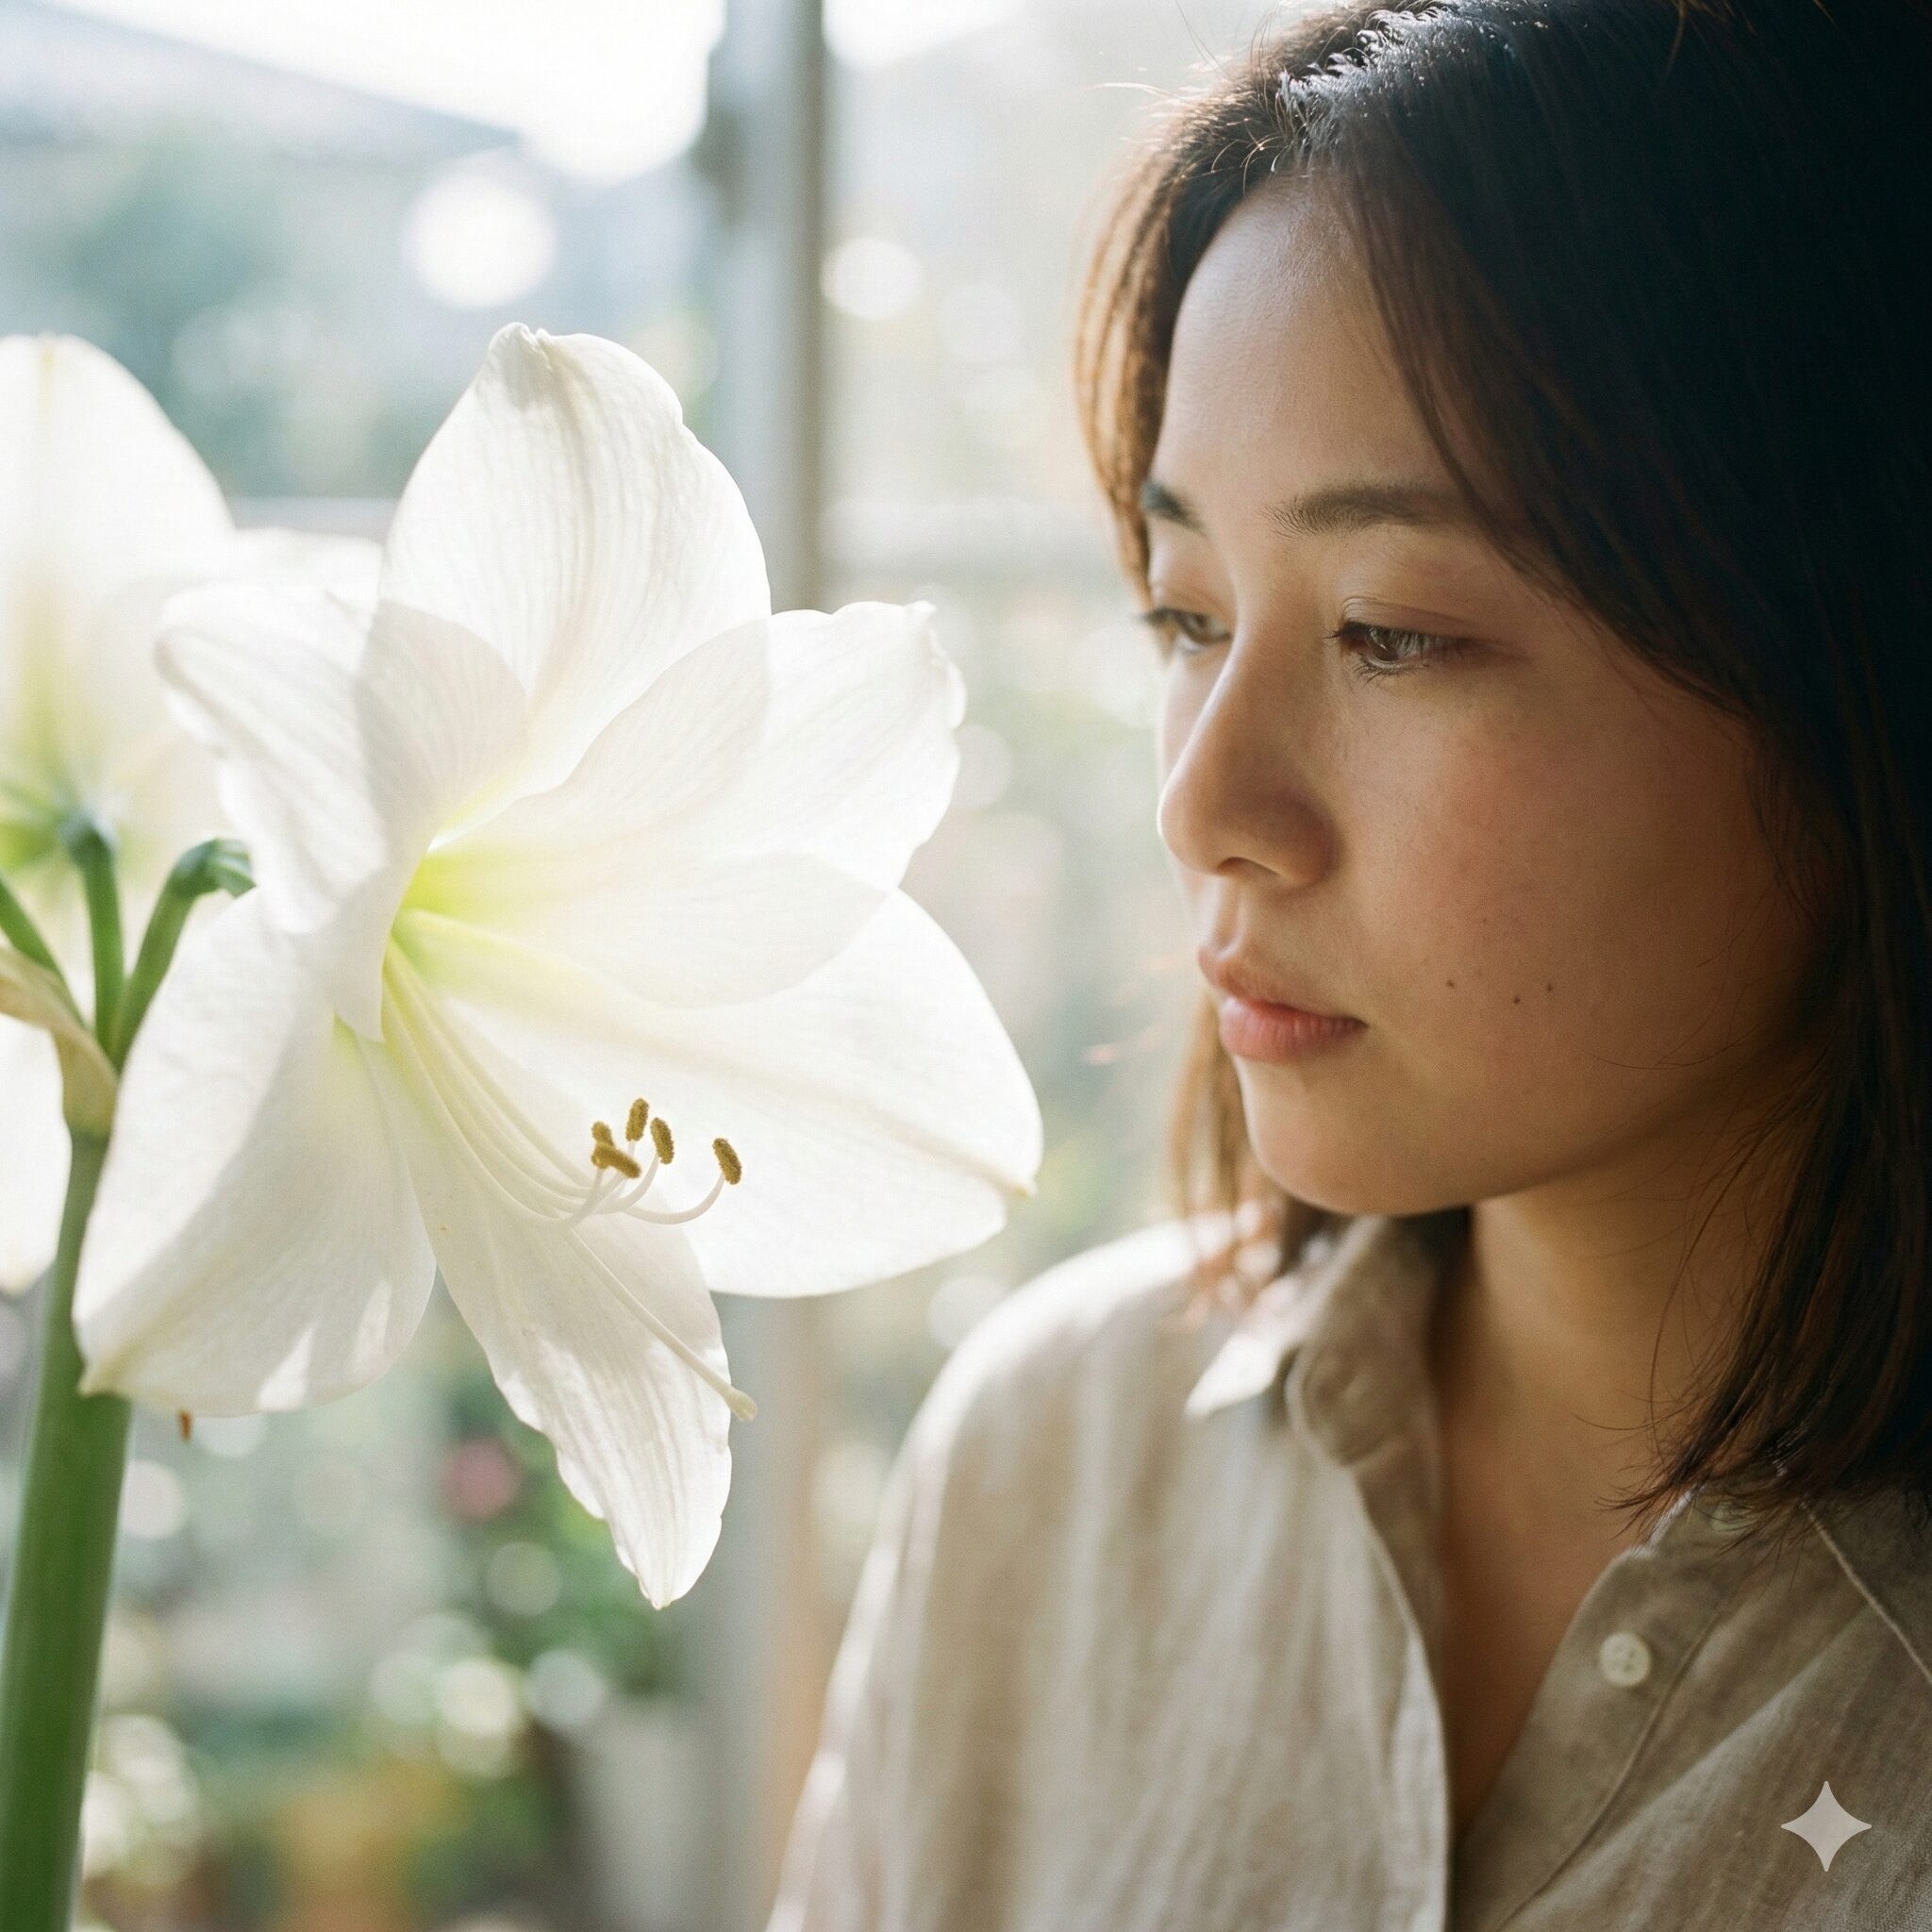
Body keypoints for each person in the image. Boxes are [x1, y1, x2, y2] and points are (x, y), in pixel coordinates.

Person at [765, 2, 1932, 1925]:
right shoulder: (1053, 1465)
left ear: (1857, 669)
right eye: (1183, 610)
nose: (1208, 800)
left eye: (1389, 630)